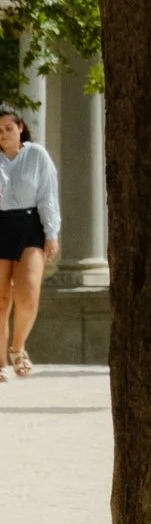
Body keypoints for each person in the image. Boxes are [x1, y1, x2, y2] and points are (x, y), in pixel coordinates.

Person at [0, 98, 60, 379]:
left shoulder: (37, 155)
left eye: (8, 128)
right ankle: (0, 361)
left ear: (20, 128)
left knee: (28, 295)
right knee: (1, 299)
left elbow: (48, 195)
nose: (3, 134)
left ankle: (18, 347)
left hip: (29, 225)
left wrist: (51, 233)